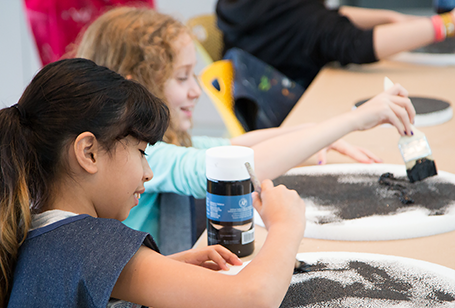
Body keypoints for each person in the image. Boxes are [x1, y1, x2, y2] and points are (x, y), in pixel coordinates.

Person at [76, 7, 415, 250]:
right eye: (182, 78)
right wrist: (351, 121)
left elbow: (230, 144)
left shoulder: (156, 142)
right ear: (136, 89)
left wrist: (319, 130)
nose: (196, 90)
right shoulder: (137, 154)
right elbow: (225, 167)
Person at [0, 57, 308, 307]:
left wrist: (169, 268)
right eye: (140, 152)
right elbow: (253, 298)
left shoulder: (40, 231)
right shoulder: (91, 243)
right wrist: (286, 224)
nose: (148, 171)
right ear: (88, 153)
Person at [216, 0, 455, 89]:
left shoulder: (246, 6)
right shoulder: (301, 21)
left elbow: (325, 16)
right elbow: (357, 45)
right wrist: (447, 23)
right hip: (291, 113)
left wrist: (390, 18)